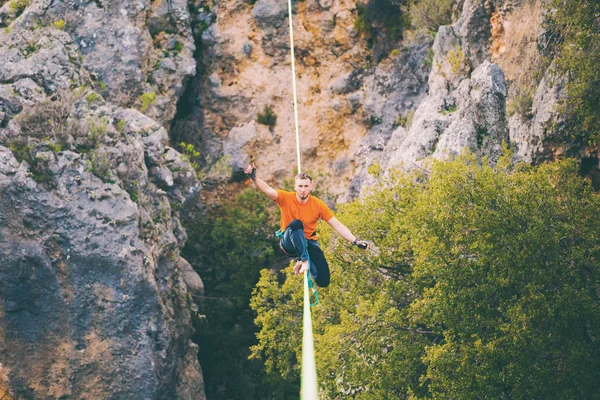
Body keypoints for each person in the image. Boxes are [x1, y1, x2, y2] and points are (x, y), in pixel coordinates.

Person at [244, 164, 369, 287]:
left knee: (323, 281)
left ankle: (302, 260)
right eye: (300, 186)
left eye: (305, 186)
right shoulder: (285, 198)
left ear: (311, 187)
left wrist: (355, 241)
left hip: (309, 242)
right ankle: (303, 260)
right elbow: (266, 189)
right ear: (295, 187)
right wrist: (254, 177)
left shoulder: (318, 205)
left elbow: (337, 225)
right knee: (297, 224)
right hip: (289, 243)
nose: (302, 190)